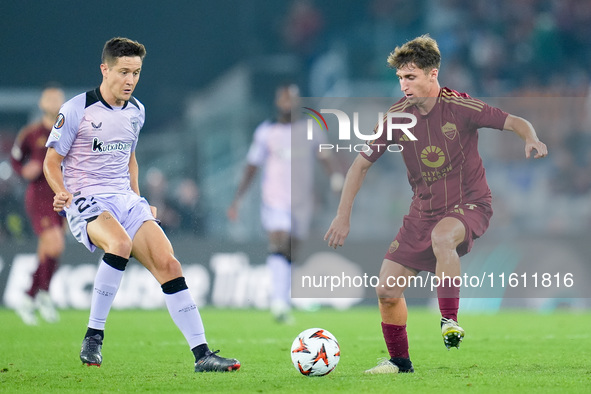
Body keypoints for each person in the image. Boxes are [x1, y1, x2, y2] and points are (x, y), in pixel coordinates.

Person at [324, 35, 548, 374]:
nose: (404, 85)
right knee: (386, 290)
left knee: (443, 238)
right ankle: (400, 362)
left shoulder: (462, 107)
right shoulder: (396, 117)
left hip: (470, 204)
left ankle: (449, 321)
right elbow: (360, 165)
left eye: (410, 77)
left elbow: (515, 121)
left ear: (433, 73)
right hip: (422, 211)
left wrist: (530, 137)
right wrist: (343, 216)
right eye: (400, 78)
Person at [43, 37, 240, 372]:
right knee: (119, 244)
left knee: (170, 266)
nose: (130, 80)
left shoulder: (137, 111)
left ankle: (203, 355)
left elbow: (130, 158)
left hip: (125, 199)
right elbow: (51, 161)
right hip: (86, 198)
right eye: (123, 72)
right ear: (104, 70)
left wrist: (139, 198)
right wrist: (60, 192)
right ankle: (93, 337)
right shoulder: (77, 109)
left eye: (136, 72)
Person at [227, 84, 343, 323]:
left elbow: (325, 157)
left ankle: (285, 296)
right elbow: (251, 167)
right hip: (274, 199)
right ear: (277, 103)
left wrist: (335, 177)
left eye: (292, 99)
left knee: (291, 249)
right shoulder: (265, 132)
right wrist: (238, 198)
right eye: (284, 99)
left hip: (301, 201)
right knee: (279, 239)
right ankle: (278, 302)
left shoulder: (311, 129)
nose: (288, 103)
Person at [10, 84, 66, 325]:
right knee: (55, 243)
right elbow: (15, 157)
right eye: (50, 98)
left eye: (58, 99)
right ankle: (37, 294)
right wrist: (23, 170)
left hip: (62, 194)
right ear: (43, 103)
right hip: (40, 196)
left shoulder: (69, 131)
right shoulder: (32, 133)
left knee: (49, 249)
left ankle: (35, 295)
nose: (54, 102)